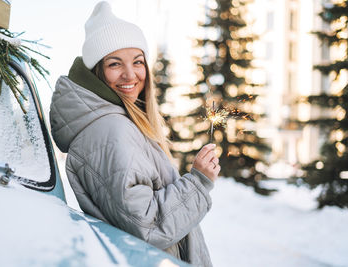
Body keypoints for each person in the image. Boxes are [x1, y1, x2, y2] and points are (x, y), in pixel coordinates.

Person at [50, 2, 220, 266]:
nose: (130, 74)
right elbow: (147, 225)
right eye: (115, 64)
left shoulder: (116, 123)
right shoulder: (111, 131)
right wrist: (198, 183)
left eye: (138, 62)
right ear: (98, 72)